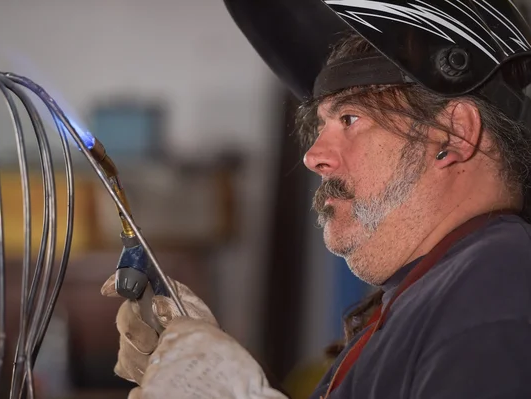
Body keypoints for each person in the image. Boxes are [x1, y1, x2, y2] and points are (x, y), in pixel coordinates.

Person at [102, 0, 531, 397]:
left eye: (350, 118)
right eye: (323, 125)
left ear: (455, 134)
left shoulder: (498, 284)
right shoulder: (430, 291)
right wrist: (207, 360)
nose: (313, 156)